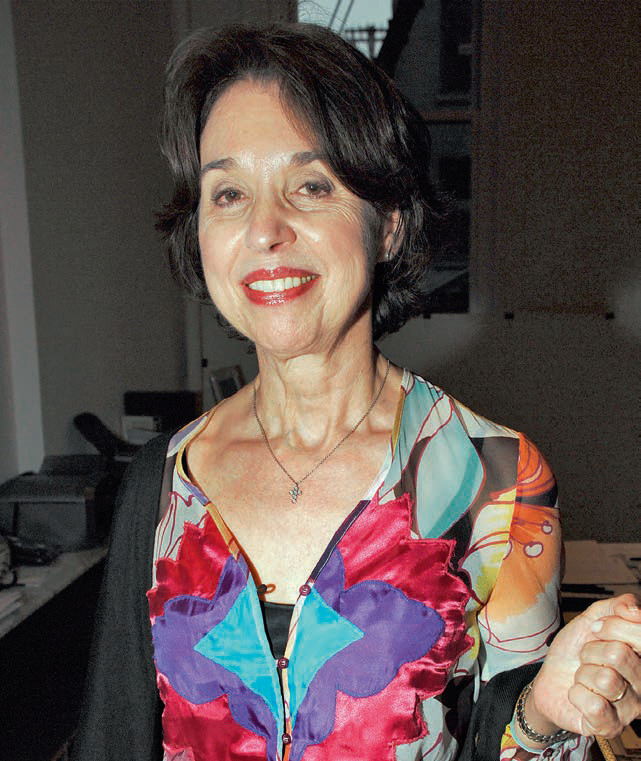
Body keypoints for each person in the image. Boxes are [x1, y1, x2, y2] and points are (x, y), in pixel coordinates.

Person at [71, 22, 641, 761]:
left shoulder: (494, 480)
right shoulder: (165, 480)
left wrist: (546, 712)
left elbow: (511, 739)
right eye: (229, 192)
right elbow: (113, 733)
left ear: (389, 225)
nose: (265, 229)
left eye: (311, 186)